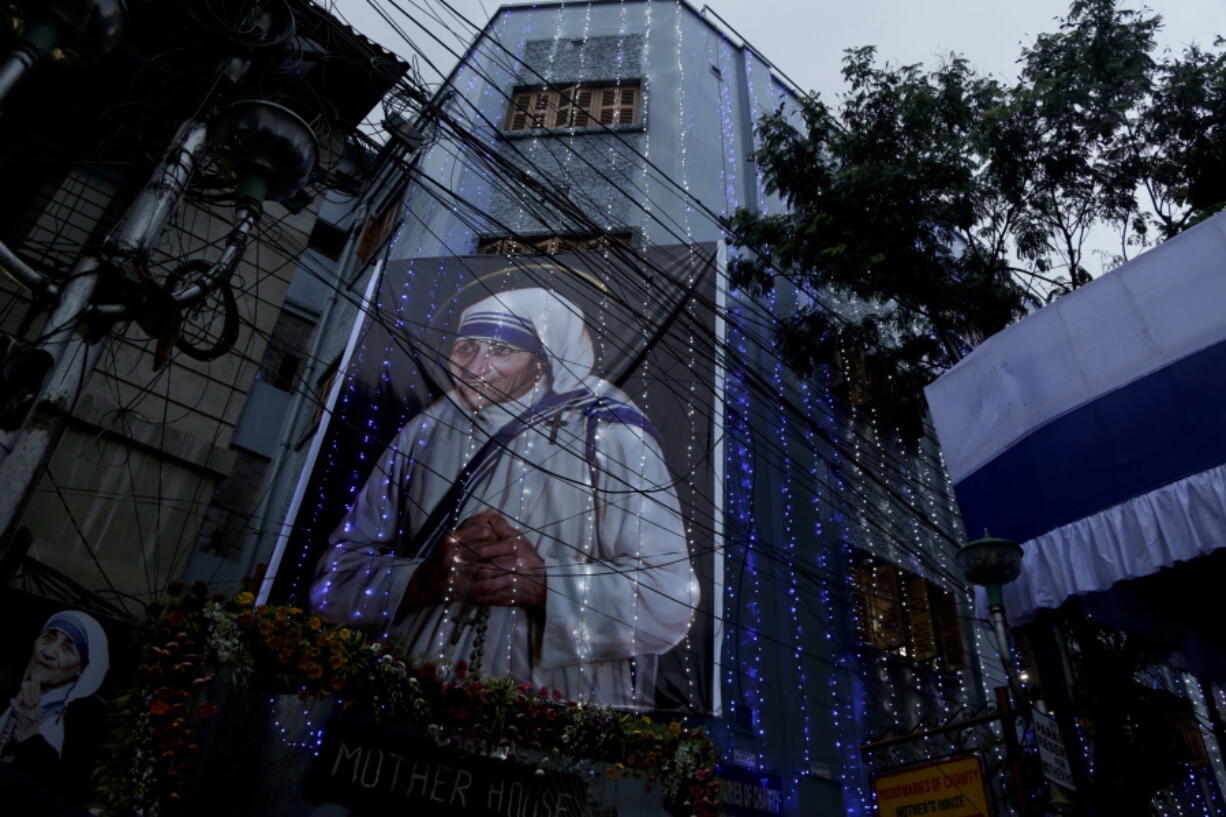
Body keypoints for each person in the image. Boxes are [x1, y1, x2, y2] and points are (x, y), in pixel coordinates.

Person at [311, 287, 698, 709]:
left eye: (501, 351)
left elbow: (669, 601)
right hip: (407, 689)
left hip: (553, 704)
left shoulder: (610, 433)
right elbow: (334, 582)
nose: (477, 368)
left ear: (542, 359)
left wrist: (545, 584)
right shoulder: (424, 433)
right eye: (465, 348)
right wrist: (426, 579)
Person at [0, 610, 110, 806]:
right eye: (48, 638)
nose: (49, 653)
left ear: (81, 670)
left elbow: (70, 791)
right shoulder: (6, 689)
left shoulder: (84, 721)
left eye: (68, 649)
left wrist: (30, 733)